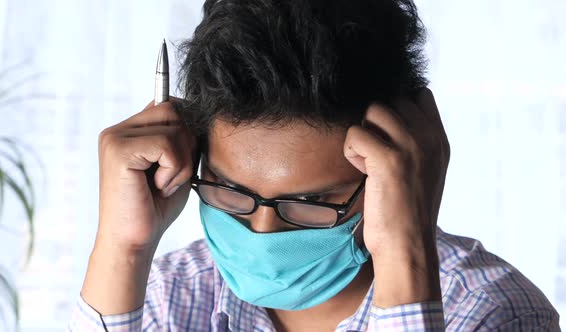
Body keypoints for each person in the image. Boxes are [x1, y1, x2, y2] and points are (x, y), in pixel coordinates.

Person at [68, 0, 560, 331]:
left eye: (311, 204)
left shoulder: (494, 314)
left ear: (403, 167)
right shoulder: (167, 293)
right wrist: (124, 250)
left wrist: (406, 253)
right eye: (229, 191)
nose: (262, 232)